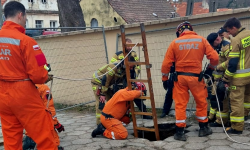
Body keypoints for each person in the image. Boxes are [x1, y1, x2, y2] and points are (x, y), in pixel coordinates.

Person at [0, 1, 57, 150]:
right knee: (45, 135)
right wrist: (46, 74)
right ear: (20, 15)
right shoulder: (27, 42)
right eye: (25, 18)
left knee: (11, 139)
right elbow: (38, 75)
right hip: (23, 94)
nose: (25, 21)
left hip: (2, 95)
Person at [161, 21, 219, 141]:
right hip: (196, 78)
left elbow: (166, 64)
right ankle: (203, 128)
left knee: (180, 104)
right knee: (201, 102)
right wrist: (210, 69)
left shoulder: (174, 43)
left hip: (180, 78)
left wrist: (164, 79)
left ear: (179, 31)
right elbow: (215, 58)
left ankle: (180, 132)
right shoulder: (201, 40)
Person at [222, 17, 250, 134]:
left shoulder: (236, 40)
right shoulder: (249, 33)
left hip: (239, 77)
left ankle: (237, 127)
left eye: (229, 31)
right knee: (247, 98)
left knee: (236, 100)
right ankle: (245, 116)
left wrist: (226, 78)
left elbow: (232, 63)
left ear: (234, 28)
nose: (229, 34)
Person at [23, 84, 65, 150]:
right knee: (52, 140)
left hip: (30, 120)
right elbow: (49, 108)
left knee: (30, 137)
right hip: (44, 120)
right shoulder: (43, 88)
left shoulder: (25, 86)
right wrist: (56, 123)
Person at [91, 60, 127, 125]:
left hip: (107, 84)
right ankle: (100, 123)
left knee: (112, 101)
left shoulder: (124, 69)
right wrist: (102, 93)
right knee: (101, 102)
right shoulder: (113, 67)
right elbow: (106, 80)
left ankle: (111, 119)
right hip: (98, 82)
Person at [206, 32, 231, 127]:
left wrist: (219, 67)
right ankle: (213, 118)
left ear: (217, 40)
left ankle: (221, 122)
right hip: (218, 79)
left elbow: (231, 61)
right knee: (215, 99)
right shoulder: (220, 46)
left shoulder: (226, 46)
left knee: (222, 100)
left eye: (213, 44)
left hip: (225, 78)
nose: (213, 47)